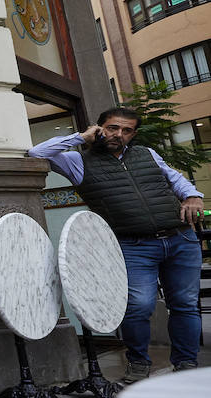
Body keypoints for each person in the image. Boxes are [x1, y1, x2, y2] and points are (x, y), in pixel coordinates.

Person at [28, 108, 204, 383]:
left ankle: (185, 364)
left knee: (184, 304)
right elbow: (37, 152)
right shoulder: (77, 161)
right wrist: (80, 136)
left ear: (133, 134)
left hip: (180, 238)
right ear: (99, 127)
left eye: (126, 130)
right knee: (138, 306)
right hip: (133, 245)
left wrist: (193, 195)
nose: (118, 135)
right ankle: (138, 363)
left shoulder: (146, 153)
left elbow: (174, 178)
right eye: (112, 128)